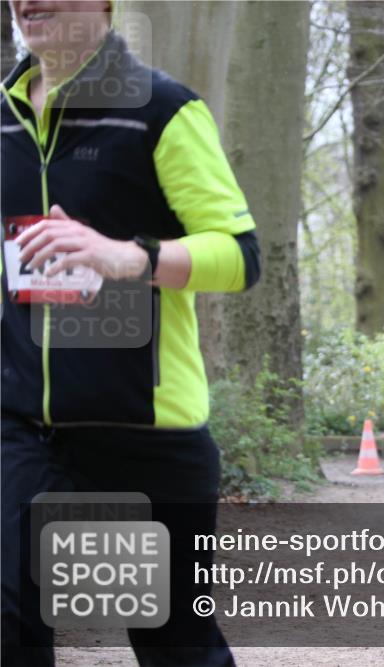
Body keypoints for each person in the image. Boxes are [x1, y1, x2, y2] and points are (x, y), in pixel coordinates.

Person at [2, 3, 259, 665]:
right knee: (9, 621)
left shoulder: (161, 110)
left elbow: (239, 255)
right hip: (21, 428)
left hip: (143, 434)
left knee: (176, 645)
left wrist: (133, 258)